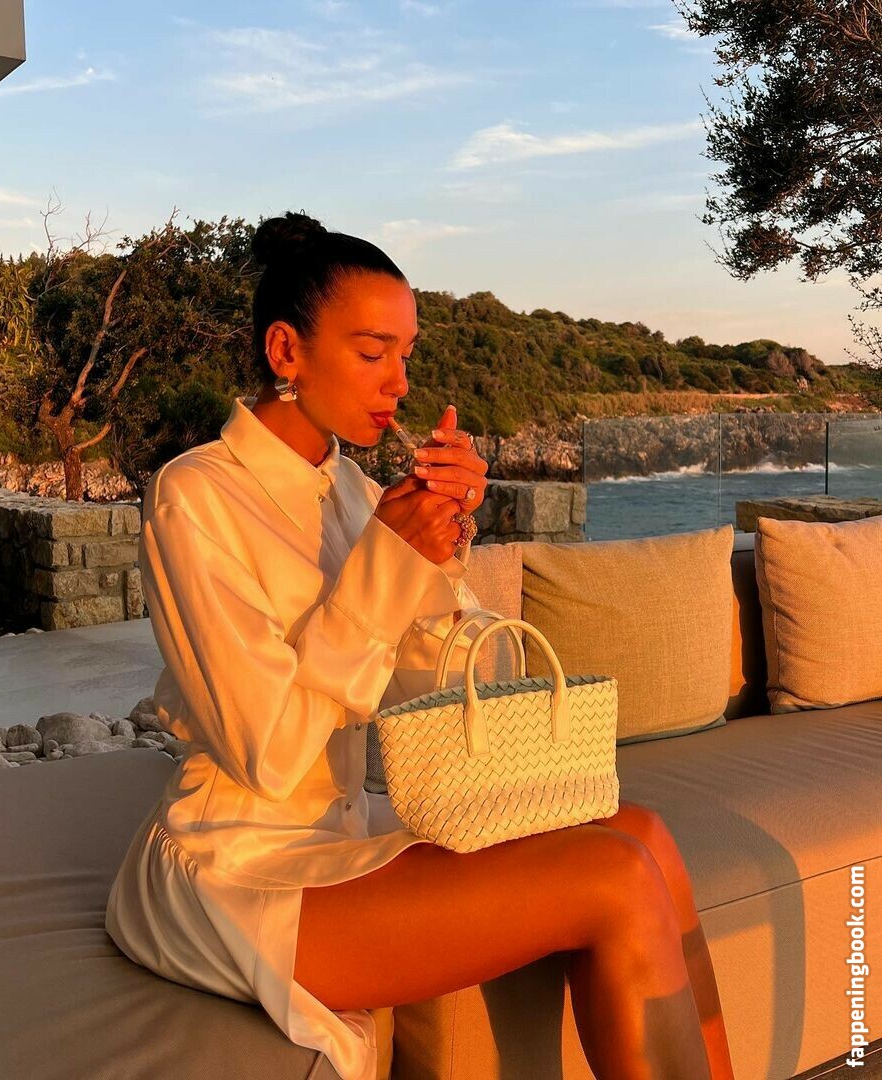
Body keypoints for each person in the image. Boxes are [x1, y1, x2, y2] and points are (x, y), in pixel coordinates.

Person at [105, 211, 736, 1080]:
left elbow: (434, 696)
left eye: (405, 353)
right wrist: (385, 564)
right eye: (373, 353)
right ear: (286, 351)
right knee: (615, 879)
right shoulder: (196, 497)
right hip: (233, 858)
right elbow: (270, 754)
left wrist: (437, 556)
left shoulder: (354, 494)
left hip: (339, 828)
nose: (399, 382)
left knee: (644, 836)